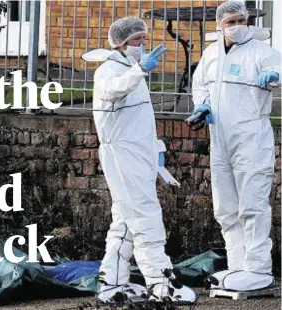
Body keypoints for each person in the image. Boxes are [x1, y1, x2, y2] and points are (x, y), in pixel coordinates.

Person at [83, 16, 197, 305]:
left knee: (124, 220)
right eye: (137, 40)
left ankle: (112, 284)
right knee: (145, 215)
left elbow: (139, 118)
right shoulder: (110, 70)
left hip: (138, 153)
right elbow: (113, 90)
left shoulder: (131, 71)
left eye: (145, 39)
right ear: (121, 45)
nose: (143, 45)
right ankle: (161, 283)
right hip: (123, 155)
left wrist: (155, 147)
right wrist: (139, 70)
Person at [191, 0, 281, 292]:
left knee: (253, 204)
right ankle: (238, 264)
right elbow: (200, 84)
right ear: (220, 26)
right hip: (220, 138)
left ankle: (258, 269)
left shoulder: (262, 52)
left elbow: (279, 71)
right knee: (226, 206)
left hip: (251, 138)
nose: (237, 26)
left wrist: (275, 78)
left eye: (241, 20)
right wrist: (202, 106)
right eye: (230, 22)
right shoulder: (211, 55)